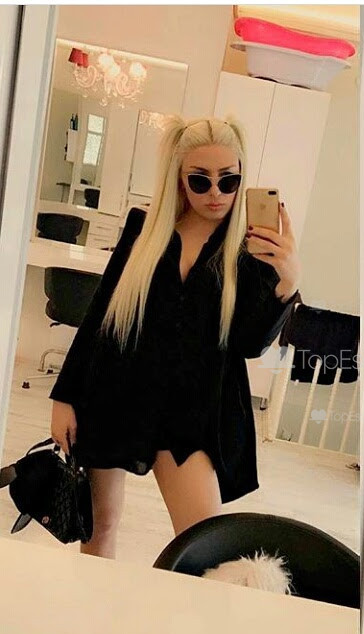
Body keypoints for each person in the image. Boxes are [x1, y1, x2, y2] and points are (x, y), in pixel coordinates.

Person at [49, 116, 301, 559]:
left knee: (203, 545)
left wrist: (287, 284)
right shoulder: (145, 229)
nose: (216, 194)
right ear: (179, 179)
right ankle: (96, 603)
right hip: (116, 395)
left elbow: (248, 344)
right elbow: (100, 319)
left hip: (192, 411)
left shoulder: (248, 250)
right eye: (200, 180)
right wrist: (64, 397)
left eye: (228, 180)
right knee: (99, 526)